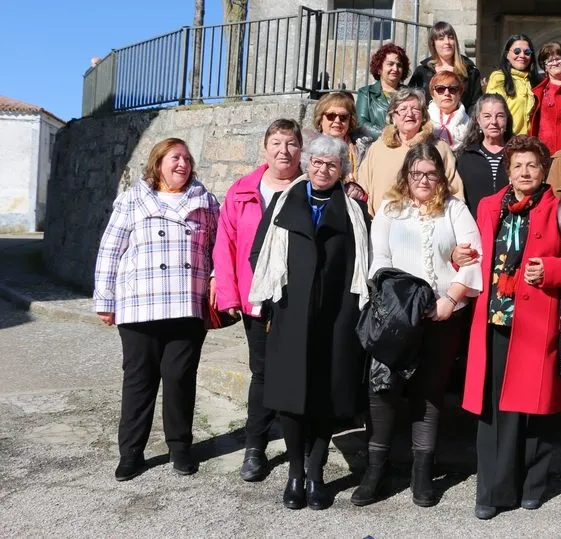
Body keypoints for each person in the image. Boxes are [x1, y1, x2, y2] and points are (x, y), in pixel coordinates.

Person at [462, 135, 561, 520]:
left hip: (537, 322)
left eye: (532, 165)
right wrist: (460, 256)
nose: (524, 172)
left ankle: (531, 485)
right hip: (494, 320)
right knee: (492, 409)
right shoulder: (489, 207)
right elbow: (474, 254)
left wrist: (552, 269)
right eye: (518, 165)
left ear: (543, 171)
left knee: (534, 406)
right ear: (508, 169)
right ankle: (491, 490)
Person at [353, 143, 483, 508]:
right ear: (405, 177)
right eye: (416, 174)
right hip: (397, 318)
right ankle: (375, 469)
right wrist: (399, 302)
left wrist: (451, 300)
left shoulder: (455, 209)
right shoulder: (391, 211)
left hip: (442, 316)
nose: (423, 180)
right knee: (383, 391)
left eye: (430, 173)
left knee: (429, 393)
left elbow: (474, 256)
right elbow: (379, 260)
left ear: (441, 177)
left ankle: (422, 472)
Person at [247, 134, 371, 510]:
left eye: (331, 165)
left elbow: (364, 262)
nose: (322, 170)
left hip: (336, 320)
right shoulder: (285, 204)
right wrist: (277, 296)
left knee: (325, 399)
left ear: (341, 171)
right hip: (290, 316)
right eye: (316, 163)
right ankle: (295, 474)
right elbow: (259, 253)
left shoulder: (352, 211)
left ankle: (316, 476)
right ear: (307, 165)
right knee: (290, 399)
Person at [93, 138, 220, 481]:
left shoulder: (205, 201)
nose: (182, 164)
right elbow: (111, 249)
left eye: (187, 158)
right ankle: (131, 453)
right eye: (174, 158)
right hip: (139, 304)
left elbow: (217, 248)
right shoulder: (133, 198)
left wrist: (214, 281)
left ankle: (180, 447)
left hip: (185, 303)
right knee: (139, 381)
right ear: (158, 162)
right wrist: (105, 301)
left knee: (180, 380)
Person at [213, 119, 302, 483]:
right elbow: (226, 245)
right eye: (277, 142)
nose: (284, 150)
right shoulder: (242, 190)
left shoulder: (311, 188)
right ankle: (255, 447)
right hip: (256, 299)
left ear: (301, 150)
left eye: (292, 143)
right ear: (265, 148)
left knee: (298, 371)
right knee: (262, 373)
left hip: (298, 299)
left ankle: (302, 445)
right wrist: (231, 294)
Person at [357, 88, 463, 216]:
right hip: (382, 224)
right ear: (393, 117)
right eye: (403, 109)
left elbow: (456, 192)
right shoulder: (378, 148)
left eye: (415, 109)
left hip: (427, 225)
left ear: (423, 116)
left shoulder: (439, 148)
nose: (410, 114)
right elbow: (363, 188)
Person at [457, 93, 514, 215]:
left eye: (500, 116)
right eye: (487, 116)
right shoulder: (466, 156)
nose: (493, 122)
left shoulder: (517, 154)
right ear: (478, 120)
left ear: (507, 119)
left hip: (510, 227)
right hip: (475, 227)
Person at [408, 21, 483, 112]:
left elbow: (476, 104)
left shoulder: (470, 71)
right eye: (441, 38)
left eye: (451, 38)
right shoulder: (422, 72)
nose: (447, 42)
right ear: (433, 43)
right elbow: (411, 101)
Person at [312, 91, 373, 187]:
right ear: (320, 119)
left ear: (350, 120)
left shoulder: (363, 150)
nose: (337, 121)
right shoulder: (308, 149)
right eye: (331, 116)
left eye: (343, 117)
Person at [485, 34, 542, 135]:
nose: (522, 55)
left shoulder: (536, 81)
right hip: (508, 142)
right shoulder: (499, 78)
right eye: (517, 51)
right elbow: (493, 111)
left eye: (527, 52)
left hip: (531, 143)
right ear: (507, 54)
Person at [356, 43, 410, 138]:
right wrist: (389, 136)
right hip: (376, 146)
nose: (395, 69)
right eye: (390, 64)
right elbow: (361, 123)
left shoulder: (410, 94)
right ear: (379, 68)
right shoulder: (366, 93)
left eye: (399, 65)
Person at [427, 71, 471, 151]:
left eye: (452, 89)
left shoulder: (470, 125)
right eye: (440, 89)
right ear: (432, 94)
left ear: (460, 94)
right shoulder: (423, 119)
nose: (447, 93)